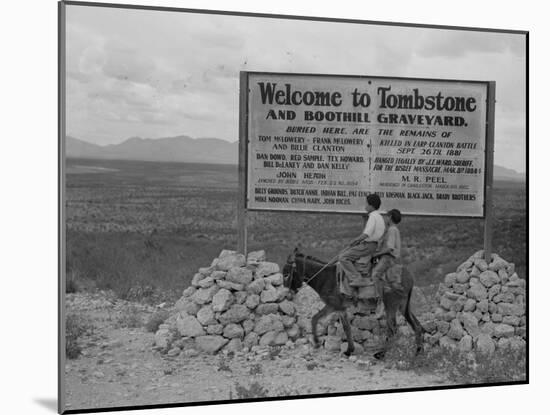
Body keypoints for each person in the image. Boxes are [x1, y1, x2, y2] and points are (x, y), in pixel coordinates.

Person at [339, 194, 385, 287]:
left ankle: (357, 279)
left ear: (371, 206)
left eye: (366, 203)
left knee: (343, 257)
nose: (365, 205)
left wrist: (355, 240)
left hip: (368, 245)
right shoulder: (380, 217)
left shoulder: (372, 216)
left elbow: (367, 233)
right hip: (374, 245)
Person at [371, 208, 403, 318]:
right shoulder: (393, 229)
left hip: (388, 258)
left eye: (387, 216)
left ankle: (379, 303)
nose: (385, 218)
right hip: (389, 258)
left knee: (375, 275)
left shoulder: (392, 230)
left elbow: (389, 248)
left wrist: (376, 254)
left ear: (390, 217)